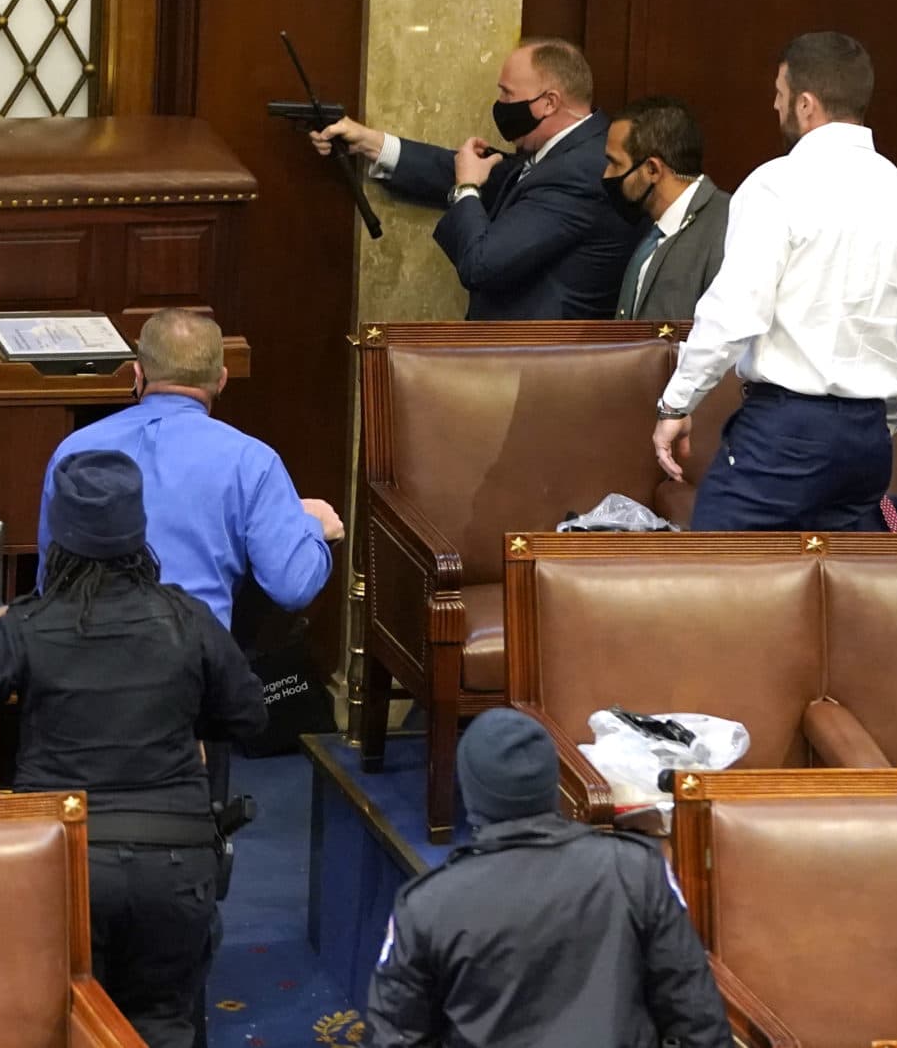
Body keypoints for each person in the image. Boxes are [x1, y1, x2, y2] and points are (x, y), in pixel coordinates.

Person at [0, 451, 267, 1048]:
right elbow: (251, 717)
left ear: (59, 537)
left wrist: (3, 653)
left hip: (67, 861)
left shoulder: (27, 628)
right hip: (175, 866)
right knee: (163, 1025)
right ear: (138, 533)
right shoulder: (189, 621)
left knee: (64, 1025)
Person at [654, 33, 897, 531]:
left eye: (780, 93)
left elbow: (734, 312)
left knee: (712, 582)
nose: (775, 104)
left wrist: (677, 403)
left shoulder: (775, 186)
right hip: (868, 443)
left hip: (785, 435)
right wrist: (870, 425)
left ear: (806, 104)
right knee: (838, 593)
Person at [364, 708, 730, 1047]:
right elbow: (697, 1020)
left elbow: (395, 1037)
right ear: (551, 784)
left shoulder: (426, 906)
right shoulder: (637, 869)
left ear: (472, 790)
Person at [37, 308, 340, 632]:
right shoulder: (252, 461)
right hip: (194, 669)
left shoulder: (74, 449)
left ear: (138, 375)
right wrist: (313, 526)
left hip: (81, 663)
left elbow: (50, 583)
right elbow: (292, 587)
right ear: (222, 379)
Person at [313, 38, 639, 319]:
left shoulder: (580, 170)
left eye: (507, 95)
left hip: (540, 367)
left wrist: (466, 189)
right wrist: (371, 142)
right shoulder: (567, 150)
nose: (499, 105)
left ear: (549, 103)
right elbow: (468, 169)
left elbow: (481, 264)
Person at [603, 96, 731, 321]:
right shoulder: (652, 227)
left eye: (615, 164)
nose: (607, 175)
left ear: (652, 169)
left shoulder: (728, 227)